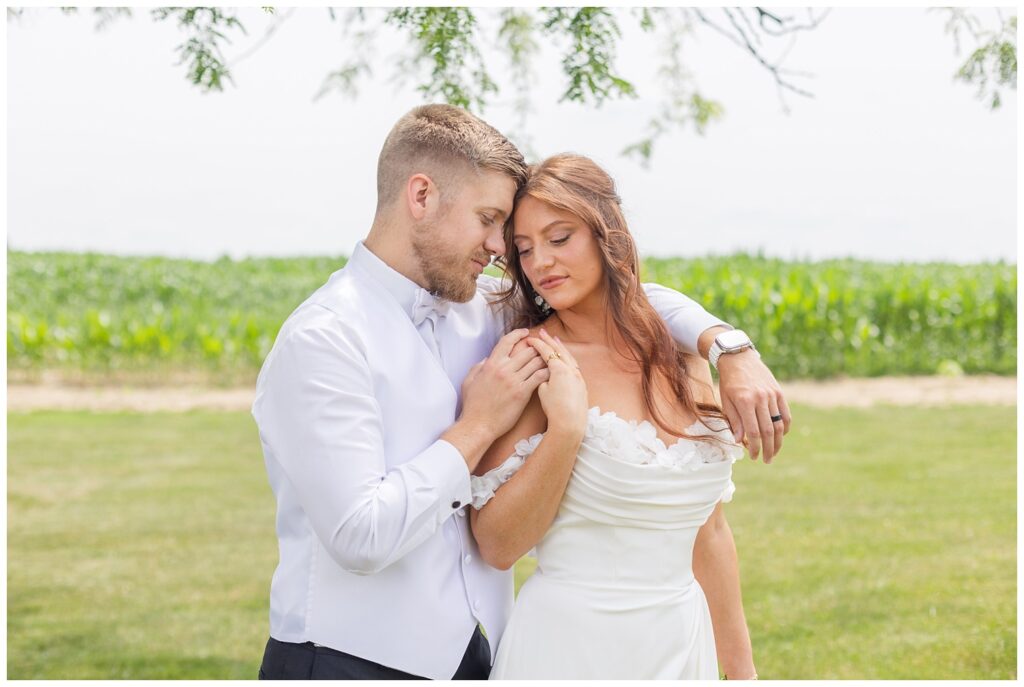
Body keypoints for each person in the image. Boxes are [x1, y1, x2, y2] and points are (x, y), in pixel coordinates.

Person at [252, 104, 788, 679]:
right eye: (490, 221)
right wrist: (479, 425)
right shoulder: (324, 339)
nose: (505, 251)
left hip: (476, 657)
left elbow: (619, 300)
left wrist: (728, 346)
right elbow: (361, 536)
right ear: (422, 195)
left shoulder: (480, 309)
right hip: (346, 663)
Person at [470, 153, 760, 679]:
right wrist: (566, 432)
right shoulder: (533, 362)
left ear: (608, 235)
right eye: (525, 249)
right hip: (569, 648)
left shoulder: (681, 355)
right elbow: (496, 544)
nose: (541, 263)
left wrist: (740, 670)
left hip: (679, 643)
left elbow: (710, 531)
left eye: (560, 239)